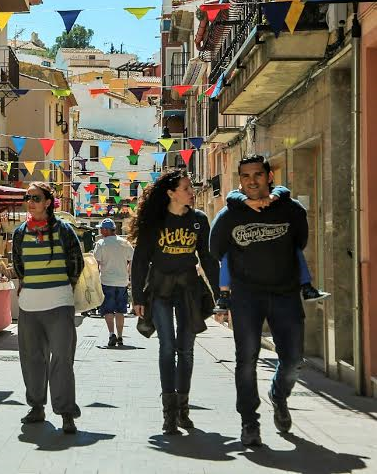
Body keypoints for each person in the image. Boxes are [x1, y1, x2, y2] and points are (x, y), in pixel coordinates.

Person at [210, 155, 310, 447]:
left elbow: (300, 242)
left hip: (285, 294)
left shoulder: (290, 210)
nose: (252, 181)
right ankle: (249, 423)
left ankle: (278, 395)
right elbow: (216, 249)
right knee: (246, 362)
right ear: (240, 180)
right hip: (246, 297)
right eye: (245, 176)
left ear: (269, 176)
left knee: (292, 359)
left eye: (257, 174)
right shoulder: (230, 216)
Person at [130, 169, 219, 435]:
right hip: (160, 290)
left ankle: (183, 409)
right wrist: (138, 297)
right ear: (171, 193)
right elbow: (140, 261)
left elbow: (208, 258)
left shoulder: (199, 220)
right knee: (167, 347)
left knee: (187, 350)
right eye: (186, 188)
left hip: (189, 290)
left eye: (190, 187)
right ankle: (169, 414)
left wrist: (220, 295)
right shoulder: (155, 222)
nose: (192, 192)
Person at [12, 182, 86, 434]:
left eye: (36, 197)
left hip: (59, 304)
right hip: (29, 307)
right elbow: (18, 265)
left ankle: (66, 412)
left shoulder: (64, 230)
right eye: (27, 197)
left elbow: (76, 262)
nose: (30, 202)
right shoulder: (20, 232)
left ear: (47, 202)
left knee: (62, 360)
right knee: (32, 359)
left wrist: (65, 286)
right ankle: (36, 407)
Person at [214, 185, 329, 314]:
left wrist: (273, 197)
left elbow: (284, 190)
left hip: (276, 258)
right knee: (227, 255)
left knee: (293, 248)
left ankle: (307, 288)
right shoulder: (234, 204)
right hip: (245, 262)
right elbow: (231, 196)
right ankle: (224, 296)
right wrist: (245, 200)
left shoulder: (277, 199)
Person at [92, 218, 134, 347]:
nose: (100, 231)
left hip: (106, 281)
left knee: (108, 310)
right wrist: (128, 274)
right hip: (122, 282)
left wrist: (95, 278)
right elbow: (132, 260)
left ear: (105, 230)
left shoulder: (101, 244)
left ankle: (111, 334)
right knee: (120, 310)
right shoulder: (125, 243)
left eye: (101, 229)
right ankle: (120, 337)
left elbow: (96, 263)